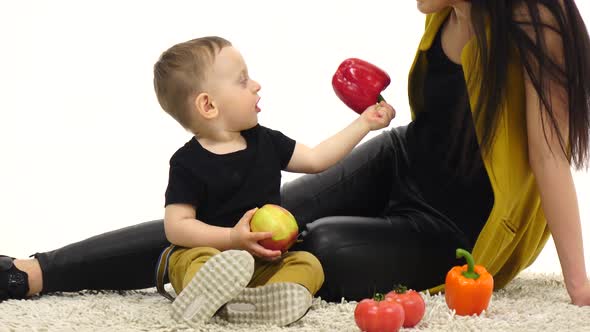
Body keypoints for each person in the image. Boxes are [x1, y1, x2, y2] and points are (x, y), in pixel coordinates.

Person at [2, 0, 590, 307]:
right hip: (400, 161)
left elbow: (547, 159)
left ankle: (244, 289)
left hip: (451, 227)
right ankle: (35, 272)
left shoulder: (531, 25)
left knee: (323, 242)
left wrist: (579, 284)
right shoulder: (448, 11)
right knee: (248, 215)